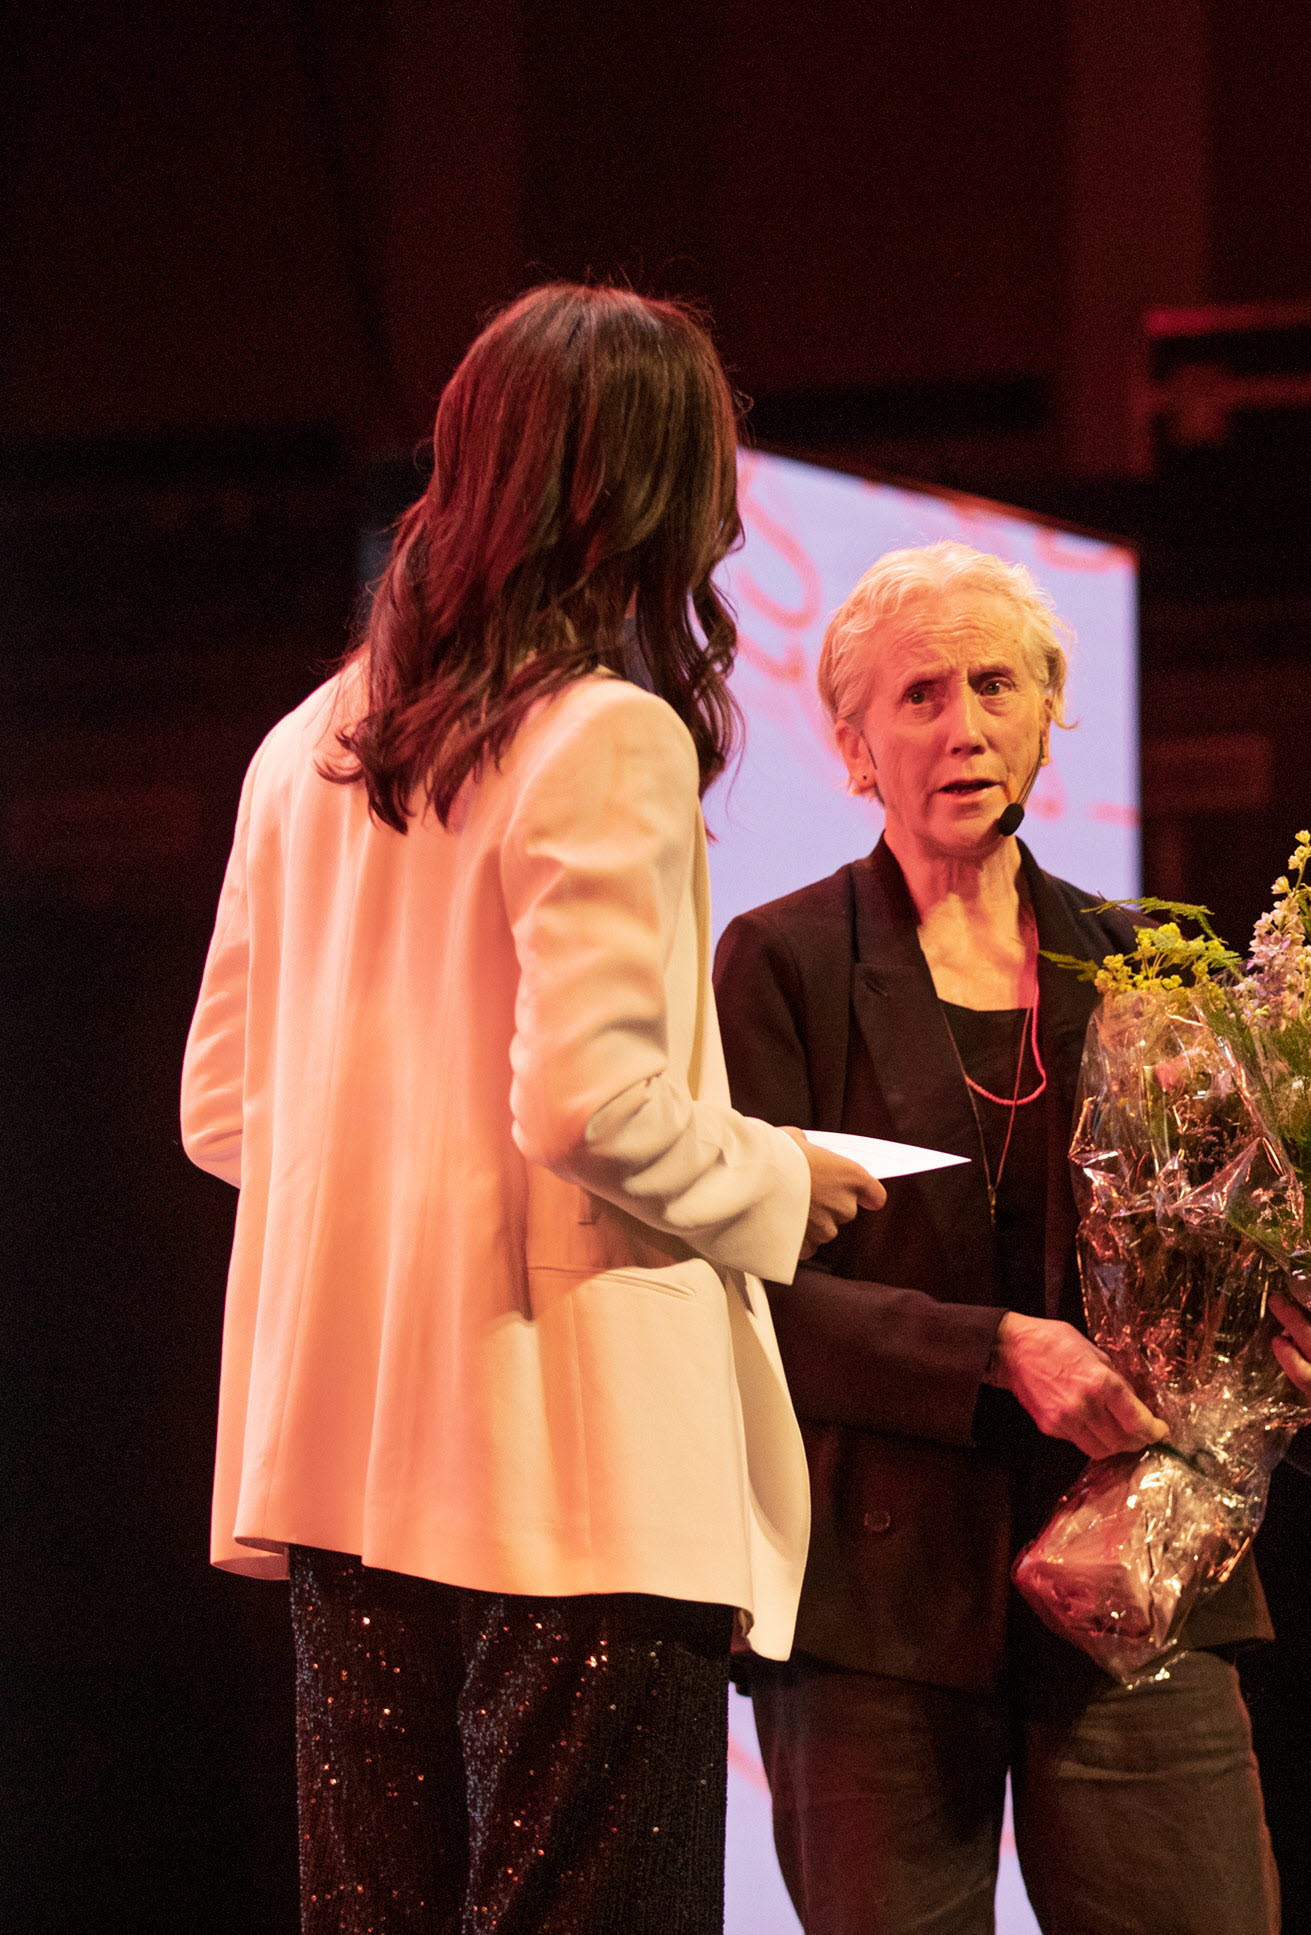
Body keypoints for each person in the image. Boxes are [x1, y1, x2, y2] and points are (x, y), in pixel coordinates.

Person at [178, 283, 885, 1934]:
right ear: (647, 486)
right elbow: (594, 1107)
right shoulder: (603, 735)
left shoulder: (303, 749)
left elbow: (225, 1111)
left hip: (348, 1481)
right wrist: (776, 1182)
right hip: (572, 1478)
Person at [713, 541, 1311, 1935]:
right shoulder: (777, 962)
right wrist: (994, 1351)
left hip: (1140, 1578)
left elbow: (1235, 1288)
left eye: (995, 682)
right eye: (917, 694)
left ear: (1046, 712)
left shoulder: (1156, 968)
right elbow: (746, 1298)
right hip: (880, 1607)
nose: (962, 724)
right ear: (849, 746)